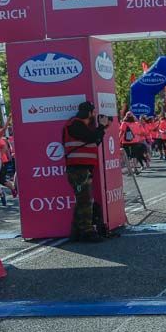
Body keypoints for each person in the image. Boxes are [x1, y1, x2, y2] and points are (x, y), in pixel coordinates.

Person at [62, 101, 109, 242]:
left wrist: (102, 129)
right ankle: (87, 231)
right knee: (85, 200)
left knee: (83, 200)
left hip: (83, 168)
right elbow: (91, 138)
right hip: (78, 168)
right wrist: (101, 126)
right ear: (88, 112)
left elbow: (94, 141)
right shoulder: (75, 124)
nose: (94, 115)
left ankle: (76, 231)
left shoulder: (81, 126)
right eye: (93, 112)